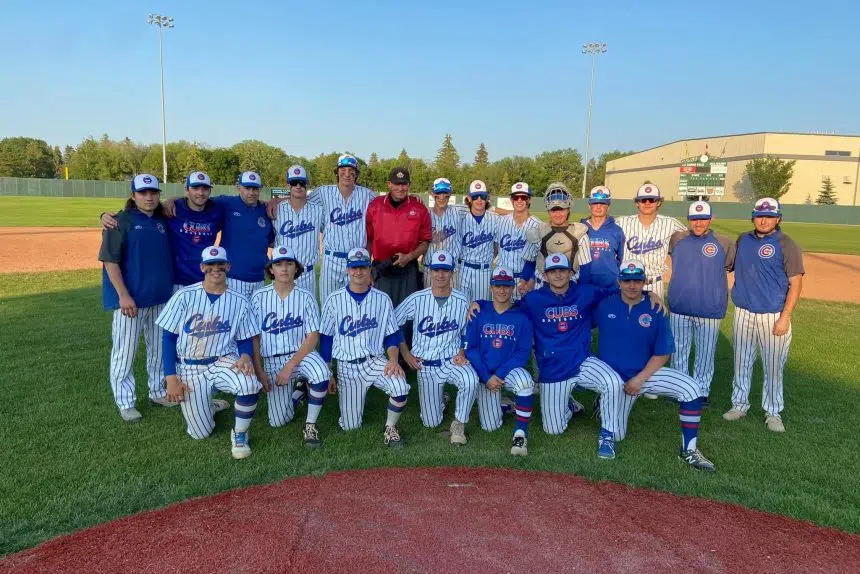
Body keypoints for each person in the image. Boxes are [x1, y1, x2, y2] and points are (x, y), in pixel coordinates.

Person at [596, 260, 716, 472]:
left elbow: (664, 352)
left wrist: (640, 379)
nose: (632, 286)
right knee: (618, 434)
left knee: (691, 389)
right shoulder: (604, 303)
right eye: (627, 281)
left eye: (637, 281)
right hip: (614, 379)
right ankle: (604, 402)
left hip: (643, 375)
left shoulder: (655, 308)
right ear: (619, 282)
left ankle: (688, 450)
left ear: (645, 281)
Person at [156, 246, 263, 459]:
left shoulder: (239, 300)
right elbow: (168, 338)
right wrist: (171, 378)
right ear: (202, 267)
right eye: (210, 265)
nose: (216, 269)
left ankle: (240, 433)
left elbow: (244, 338)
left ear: (228, 266)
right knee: (200, 433)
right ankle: (210, 405)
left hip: (224, 360)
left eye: (220, 264)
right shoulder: (184, 296)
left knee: (249, 383)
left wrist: (245, 356)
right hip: (189, 365)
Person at [98, 174, 175, 422]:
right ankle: (125, 401)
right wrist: (123, 295)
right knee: (125, 351)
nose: (149, 197)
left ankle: (159, 391)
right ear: (133, 196)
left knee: (159, 350)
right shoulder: (120, 222)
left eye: (153, 192)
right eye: (143, 193)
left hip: (161, 297)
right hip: (131, 301)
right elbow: (110, 261)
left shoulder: (163, 219)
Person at [723, 198, 804, 432]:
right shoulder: (743, 240)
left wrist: (786, 316)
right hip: (744, 312)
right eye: (760, 215)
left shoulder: (787, 244)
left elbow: (796, 283)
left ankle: (773, 411)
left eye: (769, 215)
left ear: (778, 218)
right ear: (753, 217)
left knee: (773, 366)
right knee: (742, 362)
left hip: (773, 314)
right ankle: (739, 404)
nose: (764, 219)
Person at [319, 247, 410, 447]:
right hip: (347, 366)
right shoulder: (334, 300)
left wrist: (394, 361)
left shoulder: (382, 299)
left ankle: (390, 428)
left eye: (362, 267)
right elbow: (326, 338)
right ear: (347, 270)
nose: (358, 272)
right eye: (354, 268)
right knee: (350, 426)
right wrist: (328, 371)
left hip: (374, 361)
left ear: (370, 269)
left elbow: (392, 335)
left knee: (400, 386)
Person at [250, 245, 331, 448]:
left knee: (321, 373)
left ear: (296, 268)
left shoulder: (306, 296)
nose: (284, 268)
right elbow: (254, 338)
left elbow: (313, 336)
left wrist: (290, 365)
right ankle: (299, 393)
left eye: (289, 263)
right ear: (271, 270)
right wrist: (259, 371)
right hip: (272, 359)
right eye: (279, 264)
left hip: (301, 354)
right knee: (278, 421)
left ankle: (310, 425)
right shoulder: (259, 298)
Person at [395, 251, 478, 445]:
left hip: (452, 361)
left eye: (445, 271)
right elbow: (392, 323)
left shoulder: (462, 299)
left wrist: (462, 351)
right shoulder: (417, 298)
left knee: (470, 379)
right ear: (429, 272)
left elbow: (469, 330)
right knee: (431, 423)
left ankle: (459, 422)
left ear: (452, 273)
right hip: (426, 365)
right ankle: (443, 400)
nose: (441, 275)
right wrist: (406, 354)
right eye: (436, 270)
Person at [270, 154, 376, 304]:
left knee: (356, 306)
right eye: (343, 170)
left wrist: (413, 198)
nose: (347, 174)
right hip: (330, 260)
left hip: (357, 260)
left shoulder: (368, 195)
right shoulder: (323, 192)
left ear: (356, 174)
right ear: (337, 172)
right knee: (328, 307)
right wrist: (276, 200)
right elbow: (299, 200)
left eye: (351, 171)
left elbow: (386, 204)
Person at [102, 171, 224, 291]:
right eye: (195, 188)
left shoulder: (216, 210)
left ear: (210, 191)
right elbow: (140, 213)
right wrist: (104, 216)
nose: (200, 193)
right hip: (175, 281)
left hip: (205, 279)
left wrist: (170, 200)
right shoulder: (172, 209)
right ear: (187, 189)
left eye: (205, 189)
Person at [667, 201, 736, 405]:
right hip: (680, 305)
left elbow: (729, 267)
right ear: (688, 220)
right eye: (694, 219)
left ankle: (700, 391)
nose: (698, 223)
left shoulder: (724, 242)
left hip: (710, 307)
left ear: (711, 219)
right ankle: (679, 389)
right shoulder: (677, 239)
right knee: (678, 350)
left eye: (703, 219)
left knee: (705, 353)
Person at [465, 266, 535, 456]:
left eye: (506, 286)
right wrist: (487, 377)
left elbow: (522, 353)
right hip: (485, 374)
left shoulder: (522, 316)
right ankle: (507, 405)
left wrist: (499, 374)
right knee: (490, 427)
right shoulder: (478, 311)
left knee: (525, 383)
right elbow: (470, 348)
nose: (502, 290)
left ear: (512, 288)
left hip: (508, 371)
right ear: (491, 288)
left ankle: (520, 433)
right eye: (498, 286)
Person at [365, 167, 432, 308]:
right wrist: (367, 269)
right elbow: (369, 239)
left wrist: (409, 256)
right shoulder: (375, 205)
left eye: (404, 184)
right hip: (382, 269)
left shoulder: (419, 207)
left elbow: (425, 241)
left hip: (408, 269)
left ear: (409, 185)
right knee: (381, 314)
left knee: (407, 318)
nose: (400, 188)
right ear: (389, 184)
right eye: (396, 184)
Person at [616, 183, 685, 299]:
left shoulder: (670, 223)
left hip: (655, 284)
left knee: (654, 316)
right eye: (643, 200)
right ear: (637, 203)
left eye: (652, 200)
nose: (647, 203)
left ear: (658, 202)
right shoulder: (622, 222)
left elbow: (692, 236)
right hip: (628, 282)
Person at [523, 182, 592, 289]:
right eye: (554, 210)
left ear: (568, 209)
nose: (558, 214)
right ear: (548, 210)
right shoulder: (537, 232)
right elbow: (529, 262)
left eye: (561, 209)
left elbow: (585, 266)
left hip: (571, 286)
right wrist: (524, 281)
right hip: (542, 285)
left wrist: (582, 291)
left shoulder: (580, 233)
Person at [274, 165, 326, 299]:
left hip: (307, 274)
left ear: (307, 185)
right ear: (288, 185)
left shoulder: (318, 210)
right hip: (282, 273)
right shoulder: (276, 210)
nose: (298, 186)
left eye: (302, 183)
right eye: (294, 182)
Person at [495, 182, 542, 301]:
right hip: (502, 281)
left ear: (529, 200)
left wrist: (530, 279)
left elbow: (540, 258)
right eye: (516, 197)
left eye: (524, 197)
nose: (519, 200)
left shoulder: (538, 225)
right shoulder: (500, 222)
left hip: (527, 282)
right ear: (511, 200)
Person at [454, 180, 499, 302]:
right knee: (462, 307)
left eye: (482, 196)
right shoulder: (460, 215)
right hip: (463, 269)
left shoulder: (495, 219)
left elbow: (497, 246)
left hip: (484, 270)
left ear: (487, 198)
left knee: (481, 308)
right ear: (469, 198)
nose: (479, 200)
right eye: (475, 196)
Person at [580, 185, 626, 291]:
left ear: (608, 206)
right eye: (595, 203)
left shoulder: (617, 230)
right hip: (584, 286)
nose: (598, 207)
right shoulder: (580, 229)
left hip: (610, 286)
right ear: (589, 205)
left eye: (603, 203)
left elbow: (621, 259)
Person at [423, 178, 463, 288]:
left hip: (452, 270)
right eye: (438, 193)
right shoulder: (424, 213)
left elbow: (483, 210)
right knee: (429, 304)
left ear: (450, 193)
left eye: (445, 193)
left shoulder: (459, 211)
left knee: (453, 304)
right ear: (432, 193)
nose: (441, 197)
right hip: (430, 270)